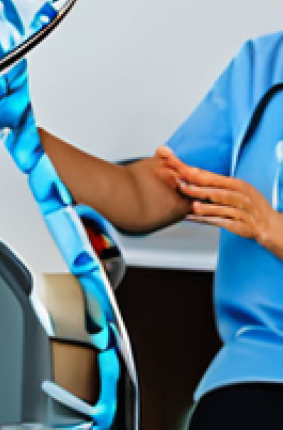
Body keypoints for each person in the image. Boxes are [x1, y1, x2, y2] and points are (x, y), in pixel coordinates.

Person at [41, 35, 283, 429]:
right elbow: (143, 197)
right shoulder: (264, 64)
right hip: (253, 379)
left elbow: (264, 221)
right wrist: (17, 124)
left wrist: (271, 226)